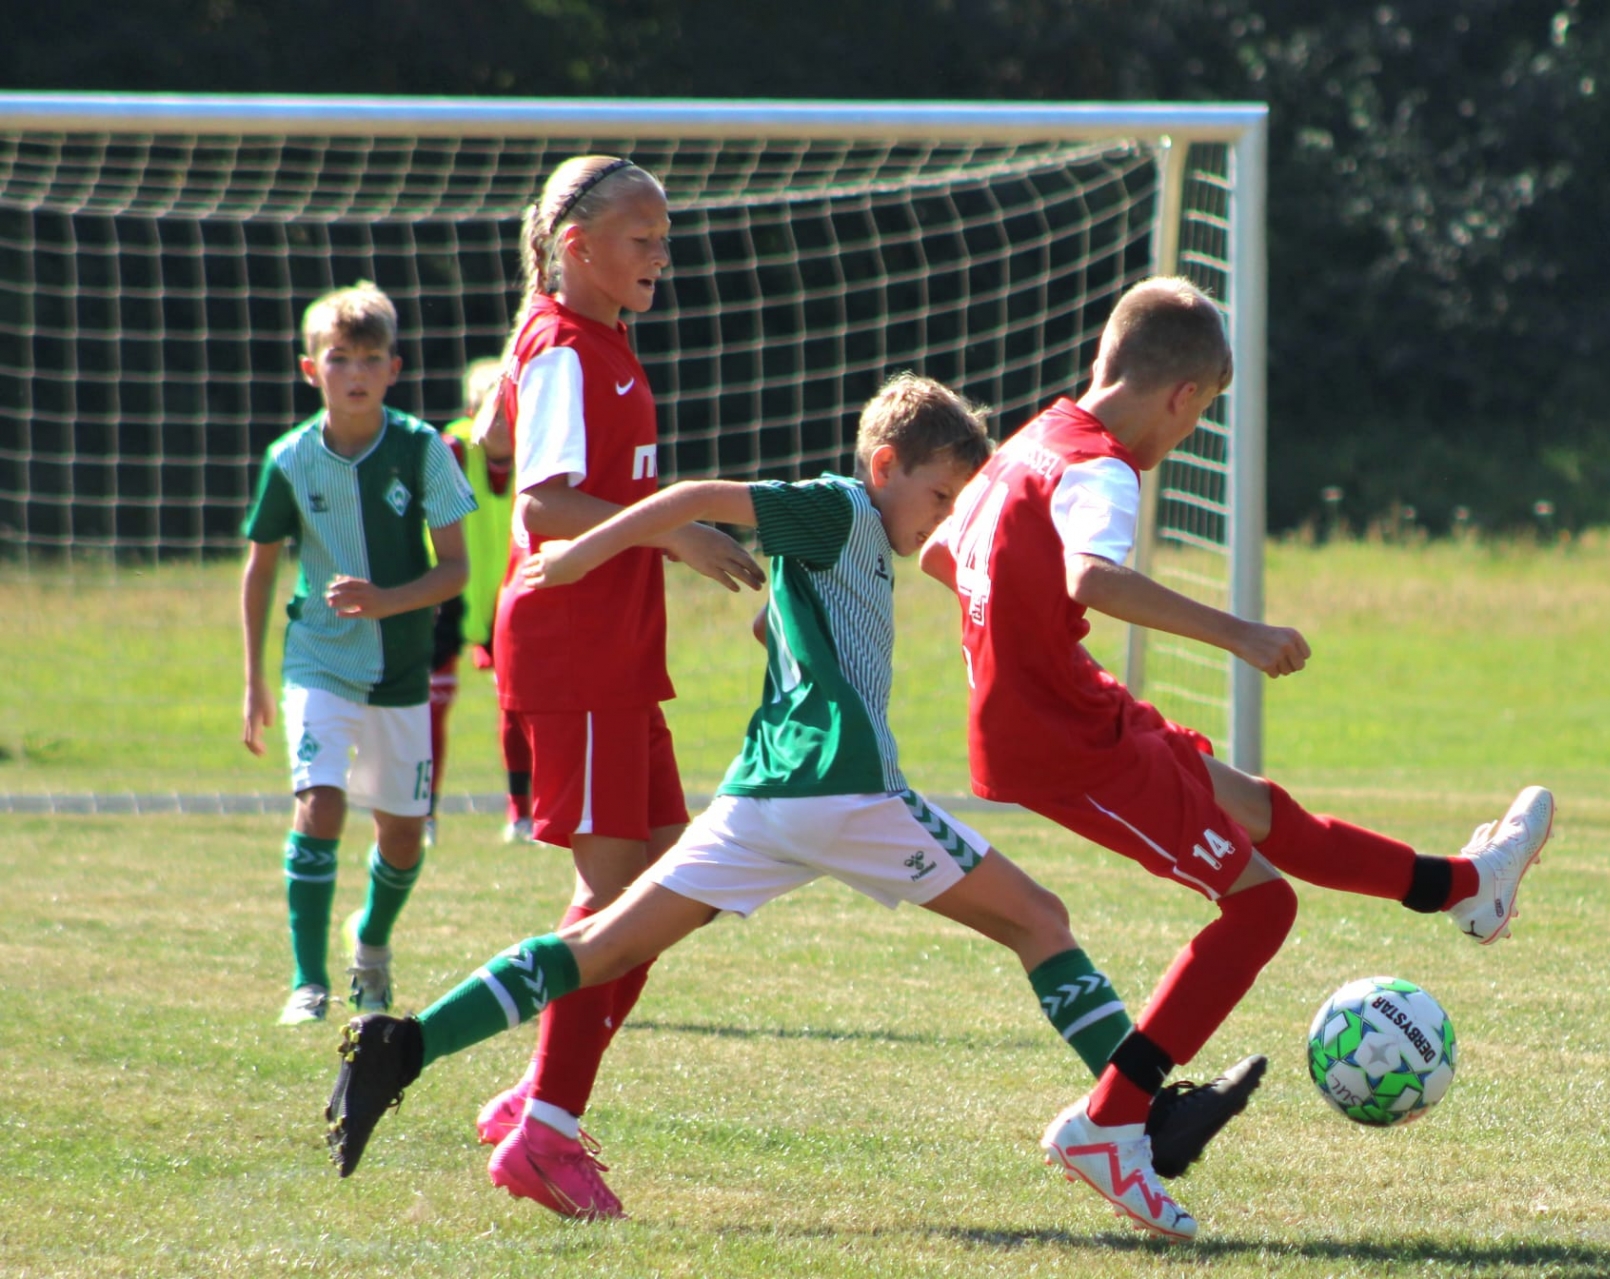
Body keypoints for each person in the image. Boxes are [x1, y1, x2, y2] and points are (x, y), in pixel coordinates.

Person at [324, 374, 1260, 1233]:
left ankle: (402, 1044)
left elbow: (784, 618)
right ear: (885, 467)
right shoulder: (842, 508)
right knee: (1039, 919)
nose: (943, 515)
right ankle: (1141, 1116)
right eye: (939, 495)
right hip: (846, 790)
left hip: (761, 798)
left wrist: (782, 619)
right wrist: (576, 555)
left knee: (600, 946)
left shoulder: (856, 541)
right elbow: (695, 498)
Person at [918, 276, 1557, 1238]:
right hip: (1060, 740)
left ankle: (1468, 885)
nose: (1187, 435)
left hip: (1070, 704)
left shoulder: (1033, 439)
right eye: (1199, 414)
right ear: (1183, 396)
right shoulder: (1100, 467)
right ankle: (1109, 1124)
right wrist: (1240, 633)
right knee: (1262, 905)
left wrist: (1019, 633)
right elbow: (1092, 575)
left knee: (1256, 808)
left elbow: (943, 552)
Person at [456, 156, 764, 1215]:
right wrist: (677, 532)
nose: (662, 257)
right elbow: (542, 506)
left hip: (617, 650)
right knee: (623, 899)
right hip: (575, 650)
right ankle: (546, 1129)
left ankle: (539, 1098)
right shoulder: (562, 346)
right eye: (644, 239)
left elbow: (506, 445)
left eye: (666, 239)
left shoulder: (588, 339)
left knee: (678, 887)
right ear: (577, 247)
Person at [240, 280, 476, 1026]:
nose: (355, 373)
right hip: (318, 660)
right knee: (320, 805)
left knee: (402, 835)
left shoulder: (423, 449)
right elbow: (259, 570)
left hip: (402, 671)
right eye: (339, 358)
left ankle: (370, 943)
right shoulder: (290, 458)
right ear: (311, 369)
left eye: (371, 358)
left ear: (393, 369)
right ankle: (307, 983)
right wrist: (253, 680)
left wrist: (385, 600)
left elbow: (456, 570)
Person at [440, 356, 535, 844]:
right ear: (470, 412)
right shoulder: (451, 453)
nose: (498, 421)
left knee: (517, 708)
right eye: (488, 409)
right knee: (426, 707)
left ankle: (521, 813)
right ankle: (420, 815)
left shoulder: (538, 456)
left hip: (510, 602)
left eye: (507, 408)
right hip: (444, 597)